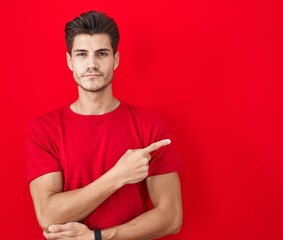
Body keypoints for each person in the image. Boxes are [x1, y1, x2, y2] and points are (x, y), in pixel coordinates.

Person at [28, 11, 182, 240]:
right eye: (82, 54)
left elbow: (171, 217)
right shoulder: (44, 129)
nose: (92, 64)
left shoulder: (148, 125)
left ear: (115, 59)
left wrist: (97, 237)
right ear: (70, 61)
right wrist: (118, 175)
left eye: (101, 54)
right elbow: (48, 215)